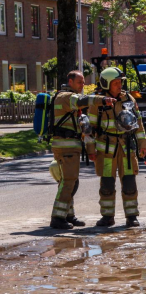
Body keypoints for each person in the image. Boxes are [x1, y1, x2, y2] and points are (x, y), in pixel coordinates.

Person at [49, 70, 116, 230]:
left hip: (67, 146)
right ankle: (57, 218)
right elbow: (84, 100)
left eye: (84, 82)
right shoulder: (67, 97)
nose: (83, 85)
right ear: (70, 82)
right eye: (80, 82)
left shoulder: (63, 97)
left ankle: (68, 215)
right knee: (69, 182)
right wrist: (104, 99)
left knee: (69, 181)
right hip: (67, 147)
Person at [87, 67, 146, 228]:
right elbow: (89, 128)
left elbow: (138, 123)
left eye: (120, 82)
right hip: (106, 151)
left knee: (129, 183)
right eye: (115, 83)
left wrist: (142, 144)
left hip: (126, 149)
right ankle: (107, 217)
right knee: (106, 184)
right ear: (106, 84)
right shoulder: (97, 102)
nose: (119, 85)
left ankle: (132, 216)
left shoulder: (129, 99)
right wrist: (91, 150)